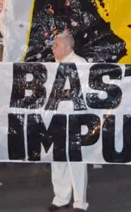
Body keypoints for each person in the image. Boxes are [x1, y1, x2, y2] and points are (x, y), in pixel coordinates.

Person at [47, 33, 89, 212]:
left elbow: (85, 93)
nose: (52, 47)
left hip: (74, 119)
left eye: (56, 45)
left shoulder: (81, 64)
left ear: (67, 47)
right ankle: (61, 198)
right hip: (55, 118)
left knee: (76, 161)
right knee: (57, 160)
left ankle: (79, 202)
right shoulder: (51, 66)